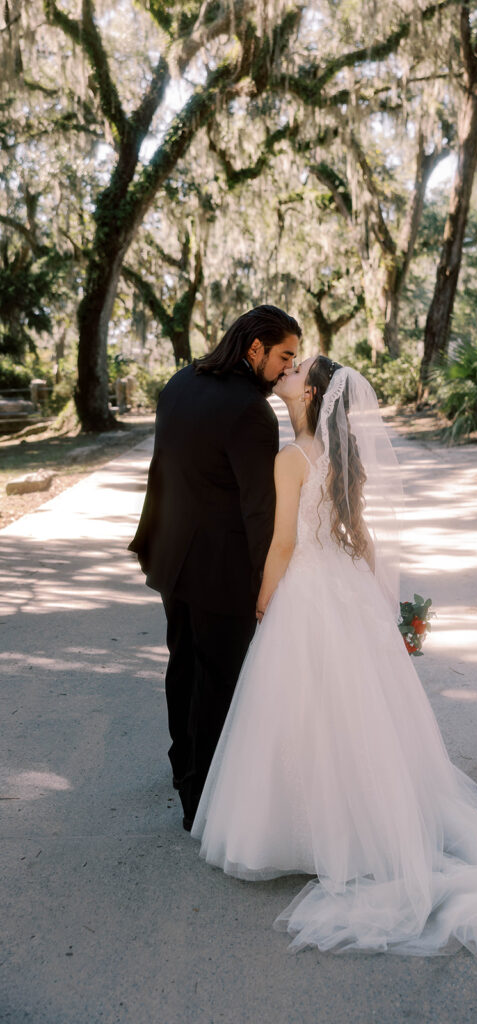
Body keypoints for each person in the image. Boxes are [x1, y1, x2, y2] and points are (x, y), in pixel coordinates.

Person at [191, 355, 477, 967]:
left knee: (307, 710)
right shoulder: (343, 459)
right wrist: (377, 604)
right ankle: (361, 820)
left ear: (309, 394)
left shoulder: (290, 460)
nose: (282, 374)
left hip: (307, 592)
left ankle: (320, 835)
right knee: (356, 712)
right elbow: (360, 537)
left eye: (293, 372)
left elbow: (284, 543)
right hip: (344, 586)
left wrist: (262, 599)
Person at [129, 304, 301, 831]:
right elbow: (258, 509)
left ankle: (183, 768)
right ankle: (201, 800)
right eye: (284, 357)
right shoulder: (251, 411)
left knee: (182, 665)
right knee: (218, 681)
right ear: (255, 349)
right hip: (219, 569)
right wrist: (263, 584)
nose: (288, 370)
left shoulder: (181, 381)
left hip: (169, 556)